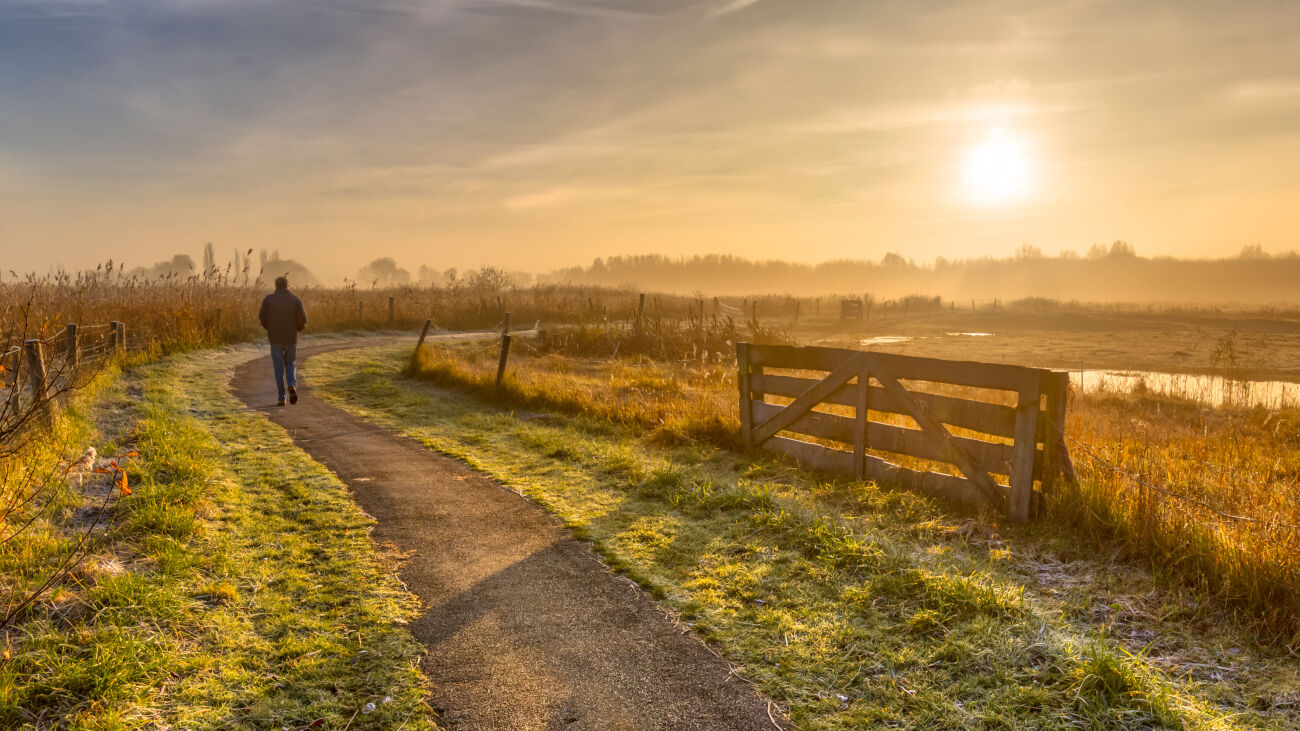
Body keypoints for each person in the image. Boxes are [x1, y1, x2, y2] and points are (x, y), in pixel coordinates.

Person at [258, 276, 308, 406]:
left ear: (276, 286)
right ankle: (292, 384)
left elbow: (261, 318)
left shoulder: (268, 299)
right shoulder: (295, 300)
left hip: (275, 338)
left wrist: (269, 328)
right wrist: (297, 330)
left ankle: (281, 398)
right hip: (291, 338)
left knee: (278, 368)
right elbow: (303, 319)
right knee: (291, 363)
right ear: (287, 286)